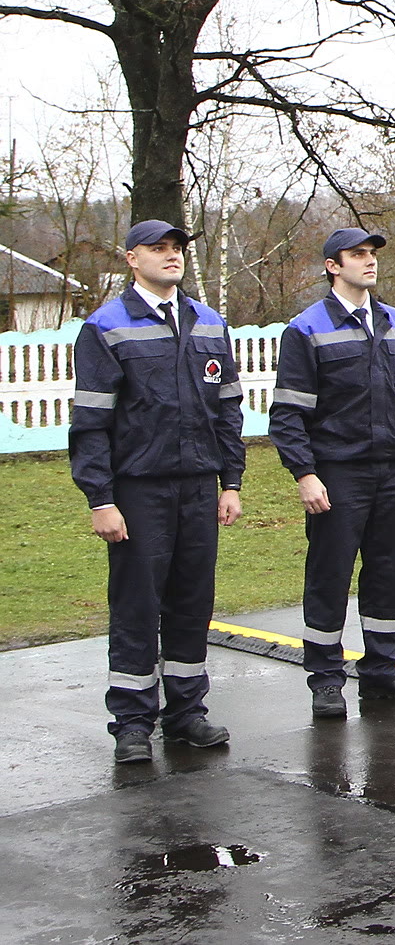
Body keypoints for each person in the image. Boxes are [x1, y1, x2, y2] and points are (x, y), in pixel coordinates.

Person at [69, 220, 246, 764]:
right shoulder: (107, 327)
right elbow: (90, 425)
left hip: (197, 485)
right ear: (131, 259)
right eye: (158, 249)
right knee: (138, 605)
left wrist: (230, 482)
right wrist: (101, 498)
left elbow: (227, 409)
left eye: (177, 249)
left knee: (192, 602)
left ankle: (186, 712)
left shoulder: (209, 323)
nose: (171, 257)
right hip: (138, 490)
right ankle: (132, 721)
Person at [270, 228, 395, 718]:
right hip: (338, 473)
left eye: (371, 254)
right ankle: (325, 678)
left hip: (393, 471)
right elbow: (287, 415)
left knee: (389, 572)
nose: (369, 262)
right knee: (330, 575)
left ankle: (383, 669)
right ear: (332, 265)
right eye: (357, 255)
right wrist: (305, 474)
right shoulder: (306, 330)